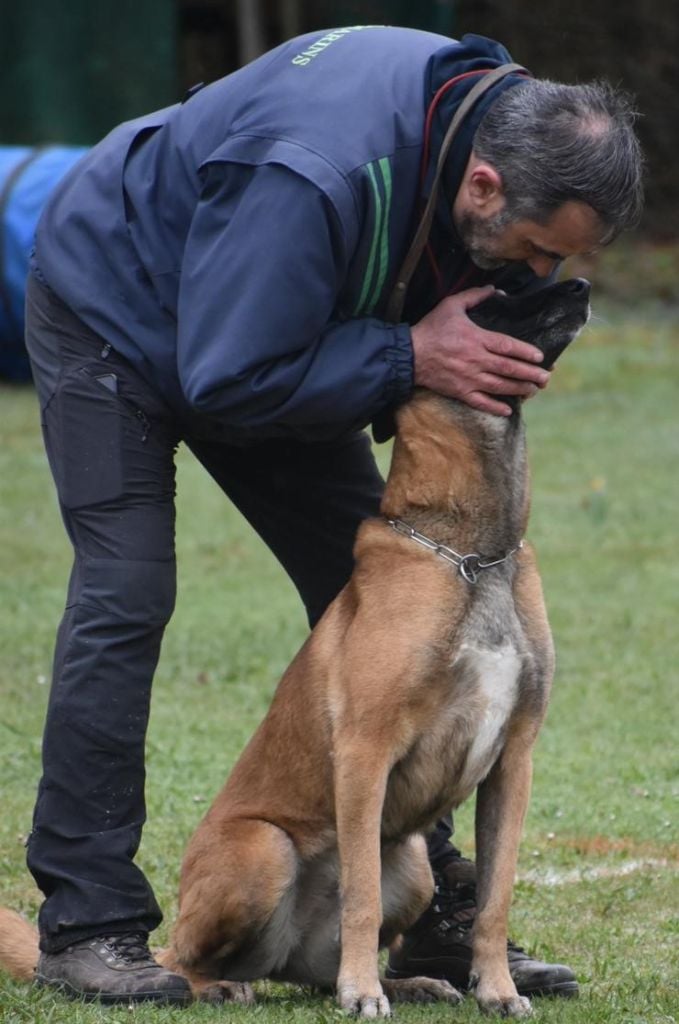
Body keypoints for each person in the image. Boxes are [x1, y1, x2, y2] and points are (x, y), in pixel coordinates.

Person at [24, 24, 643, 1006]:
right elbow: (225, 376)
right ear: (483, 188)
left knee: (399, 590)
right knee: (128, 587)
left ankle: (434, 919)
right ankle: (86, 923)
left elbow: (299, 337)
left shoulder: (489, 126)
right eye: (533, 252)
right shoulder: (313, 169)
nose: (535, 277)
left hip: (280, 327)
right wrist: (408, 357)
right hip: (124, 310)